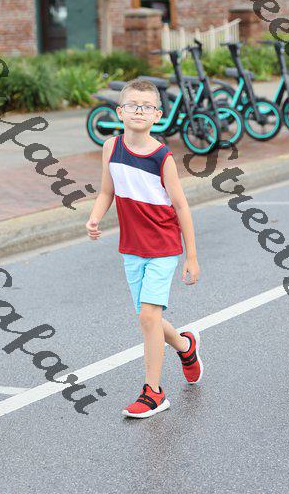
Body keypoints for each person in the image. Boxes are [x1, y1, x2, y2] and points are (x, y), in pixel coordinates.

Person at [86, 78, 203, 418]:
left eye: (147, 106)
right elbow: (107, 191)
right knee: (148, 317)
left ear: (157, 115)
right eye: (132, 105)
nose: (139, 111)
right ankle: (185, 346)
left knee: (148, 316)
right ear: (120, 112)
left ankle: (154, 392)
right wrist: (95, 218)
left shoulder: (162, 156)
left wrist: (191, 257)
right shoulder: (111, 147)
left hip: (163, 246)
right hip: (131, 248)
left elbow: (181, 206)